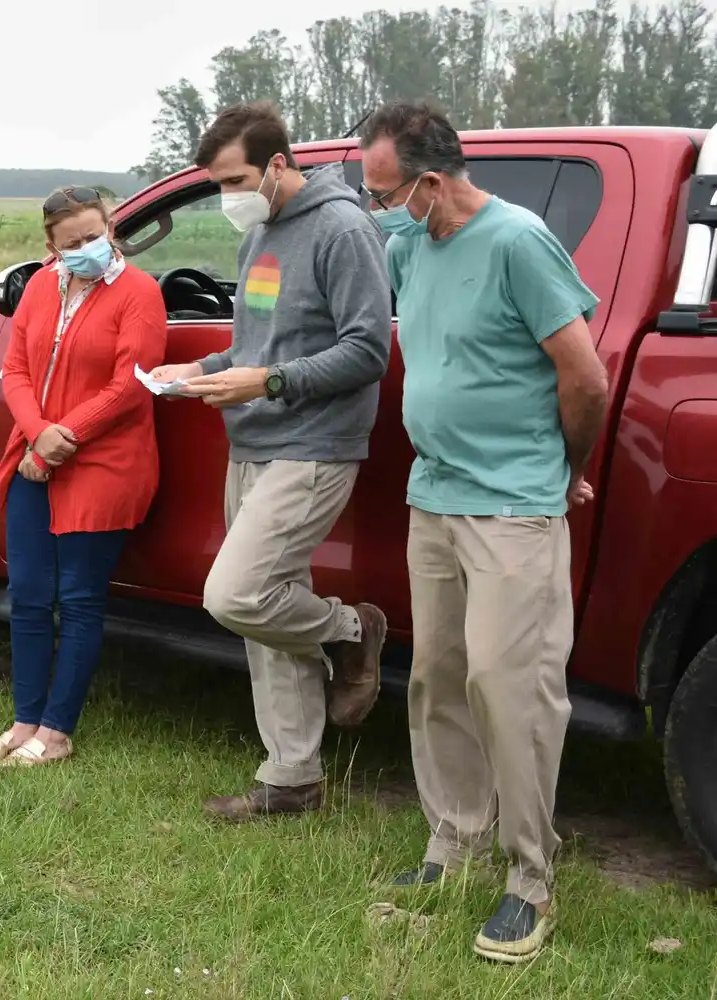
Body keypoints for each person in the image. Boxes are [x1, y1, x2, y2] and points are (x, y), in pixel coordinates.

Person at [359, 100, 608, 964]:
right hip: (435, 498)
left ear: (432, 181)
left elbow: (584, 377)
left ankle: (530, 879)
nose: (380, 208)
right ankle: (452, 844)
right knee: (438, 678)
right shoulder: (405, 247)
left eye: (387, 192)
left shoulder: (517, 241)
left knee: (513, 688)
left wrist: (562, 469)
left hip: (511, 504)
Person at [149, 101, 392, 820]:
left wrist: (268, 381)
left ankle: (355, 631)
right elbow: (260, 347)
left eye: (236, 179)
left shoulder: (344, 228)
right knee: (268, 613)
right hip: (251, 441)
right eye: (218, 183)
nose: (228, 196)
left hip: (313, 445)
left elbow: (367, 348)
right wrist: (197, 370)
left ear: (279, 164)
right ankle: (291, 780)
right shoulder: (260, 233)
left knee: (238, 595)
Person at [0, 186, 166, 767]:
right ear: (50, 245)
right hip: (36, 451)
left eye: (95, 235)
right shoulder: (38, 286)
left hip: (103, 461)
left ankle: (57, 732)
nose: (87, 248)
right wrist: (37, 434)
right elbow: (18, 369)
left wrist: (64, 437)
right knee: (28, 595)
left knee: (79, 599)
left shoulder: (140, 292)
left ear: (111, 226)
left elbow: (131, 384)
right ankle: (24, 720)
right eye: (72, 242)